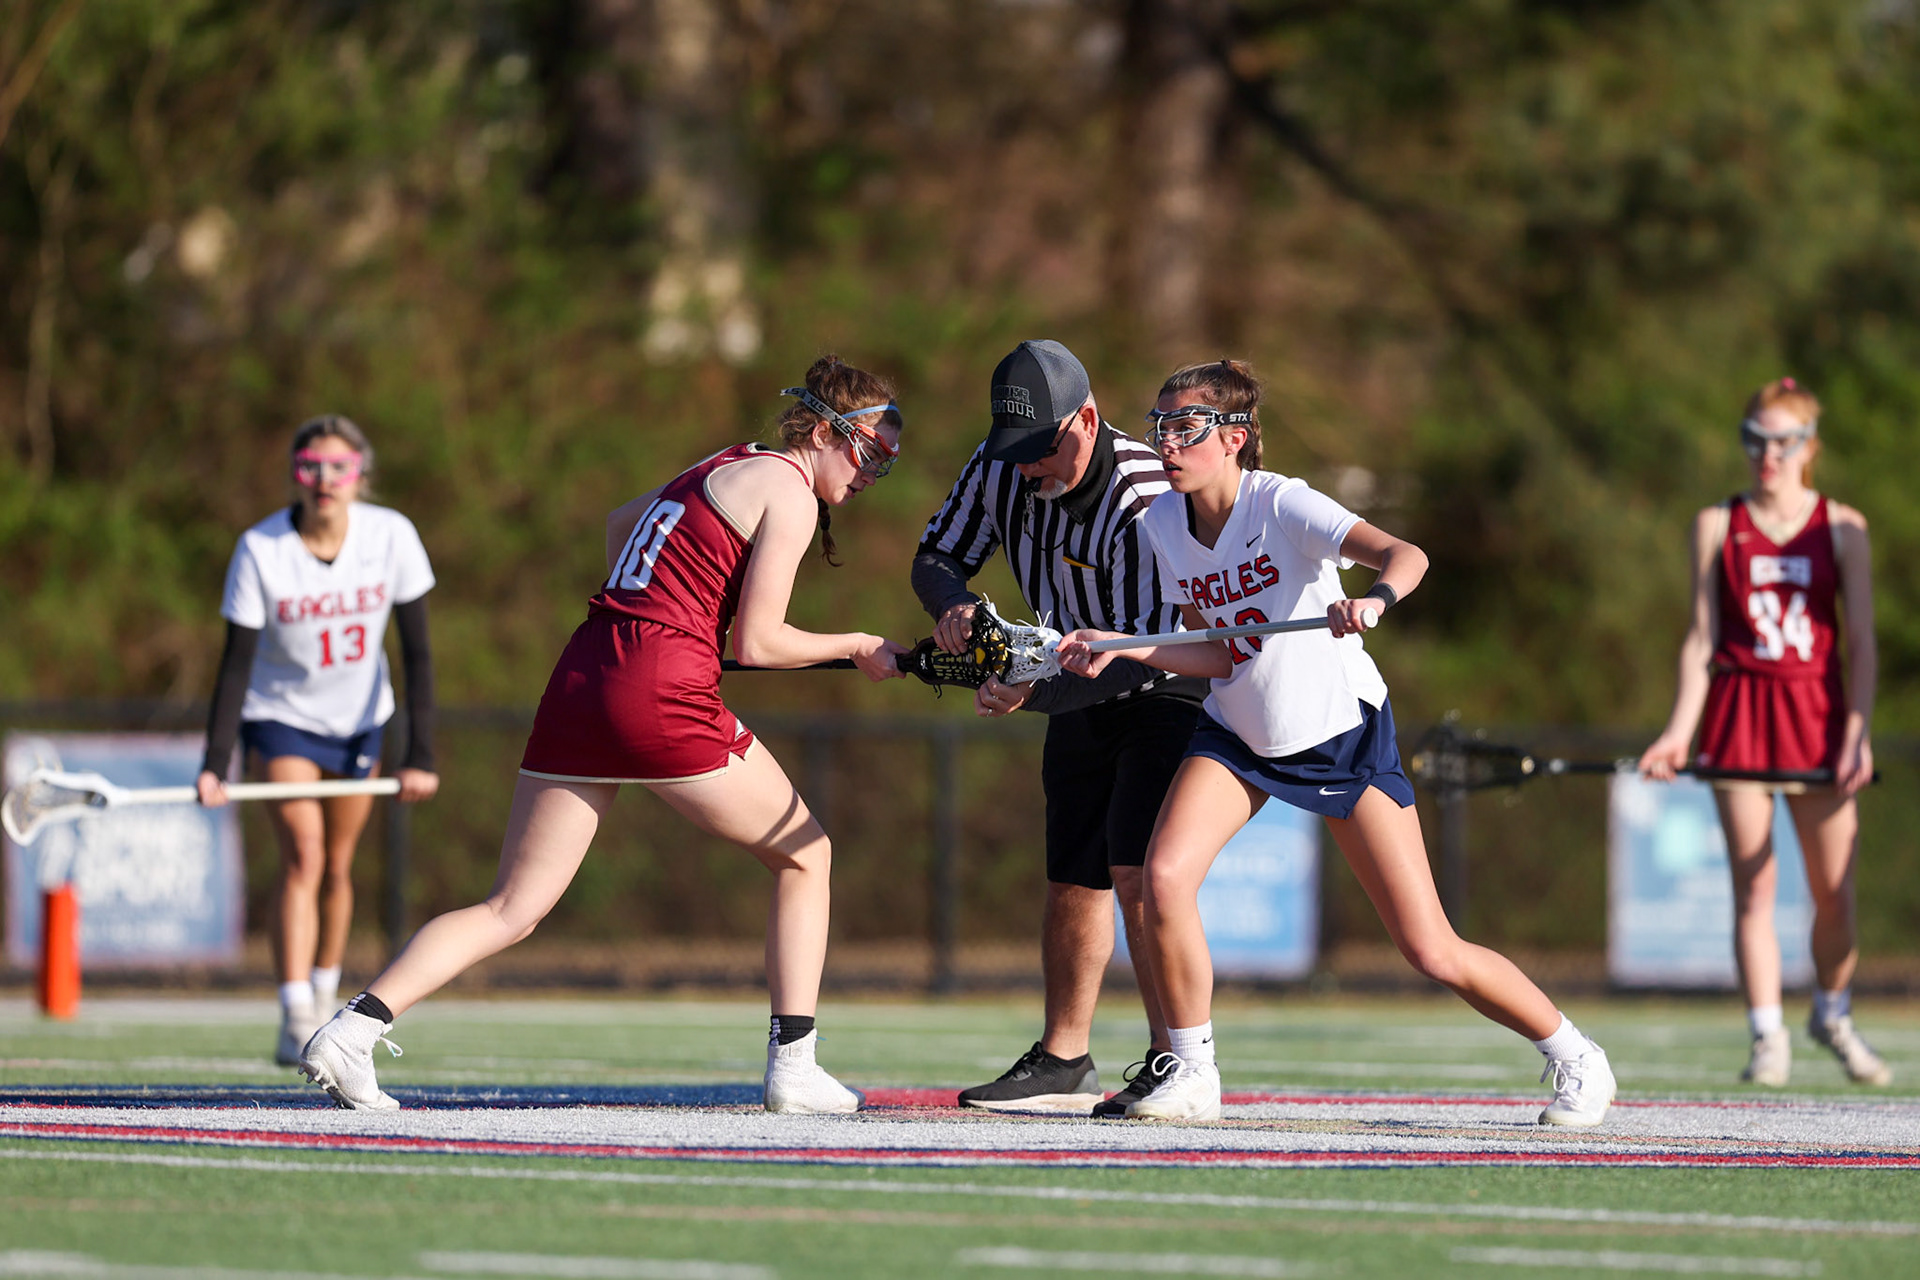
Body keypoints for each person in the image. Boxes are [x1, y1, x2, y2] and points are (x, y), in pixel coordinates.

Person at [298, 356, 910, 1112]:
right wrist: (853, 644)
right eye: (864, 452)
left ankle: (353, 1029)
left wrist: (670, 607)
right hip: (658, 688)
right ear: (822, 432)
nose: (868, 473)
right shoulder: (791, 493)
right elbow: (758, 641)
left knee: (511, 908)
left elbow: (623, 524)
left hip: (586, 672)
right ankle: (794, 1067)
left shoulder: (730, 460)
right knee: (806, 855)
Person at [1058, 359, 1616, 1126]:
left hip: (1338, 734)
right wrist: (1128, 645)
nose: (1167, 444)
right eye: (1160, 427)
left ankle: (1576, 1055)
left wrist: (1375, 600)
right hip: (1239, 732)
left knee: (1430, 948)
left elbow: (1405, 554)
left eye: (1185, 427)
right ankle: (1193, 1069)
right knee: (1163, 876)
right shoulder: (1160, 524)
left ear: (1236, 438)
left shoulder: (1282, 502)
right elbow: (1222, 653)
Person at [914, 339, 1205, 1116]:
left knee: (1139, 874)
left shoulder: (1144, 494)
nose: (1028, 467)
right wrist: (953, 607)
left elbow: (1147, 653)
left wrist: (1024, 693)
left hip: (1163, 684)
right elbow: (937, 553)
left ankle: (1176, 1058)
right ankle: (1065, 1059)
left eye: (1044, 448)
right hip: (1066, 679)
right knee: (1073, 877)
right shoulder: (998, 463)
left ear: (1087, 416)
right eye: (1017, 450)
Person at [1638, 378, 1889, 1087]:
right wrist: (1678, 732)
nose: (1767, 455)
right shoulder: (1717, 524)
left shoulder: (1844, 526)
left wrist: (1858, 733)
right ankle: (1767, 1033)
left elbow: (1862, 642)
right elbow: (1701, 638)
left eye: (1782, 441)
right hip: (1742, 711)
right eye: (1755, 441)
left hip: (1817, 717)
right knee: (1755, 887)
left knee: (1834, 892)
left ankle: (1831, 1012)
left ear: (1810, 446)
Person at [197, 415, 440, 1066]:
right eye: (311, 468)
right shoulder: (261, 549)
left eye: (340, 468)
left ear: (362, 476)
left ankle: (327, 1000)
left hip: (362, 722)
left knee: (337, 863)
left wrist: (421, 753)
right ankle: (294, 1007)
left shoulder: (392, 536)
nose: (326, 481)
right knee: (303, 855)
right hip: (282, 720)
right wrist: (215, 762)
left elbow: (416, 654)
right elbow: (235, 664)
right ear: (294, 475)